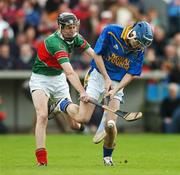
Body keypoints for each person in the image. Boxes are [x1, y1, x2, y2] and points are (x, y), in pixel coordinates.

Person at [50, 21, 153, 166]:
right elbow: (96, 55)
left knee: (111, 125)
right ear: (133, 33)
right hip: (97, 76)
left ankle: (107, 158)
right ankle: (61, 104)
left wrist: (115, 89)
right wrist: (106, 78)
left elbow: (131, 74)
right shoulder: (111, 31)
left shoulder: (139, 50)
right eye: (138, 42)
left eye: (142, 44)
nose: (139, 46)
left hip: (117, 83)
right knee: (82, 118)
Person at [29, 12, 111, 166]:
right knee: (42, 116)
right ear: (60, 27)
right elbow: (70, 72)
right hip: (41, 80)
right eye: (69, 27)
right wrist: (82, 92)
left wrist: (108, 75)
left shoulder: (76, 37)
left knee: (75, 125)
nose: (72, 30)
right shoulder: (55, 43)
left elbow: (94, 54)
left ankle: (60, 106)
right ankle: (42, 160)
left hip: (58, 79)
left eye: (74, 27)